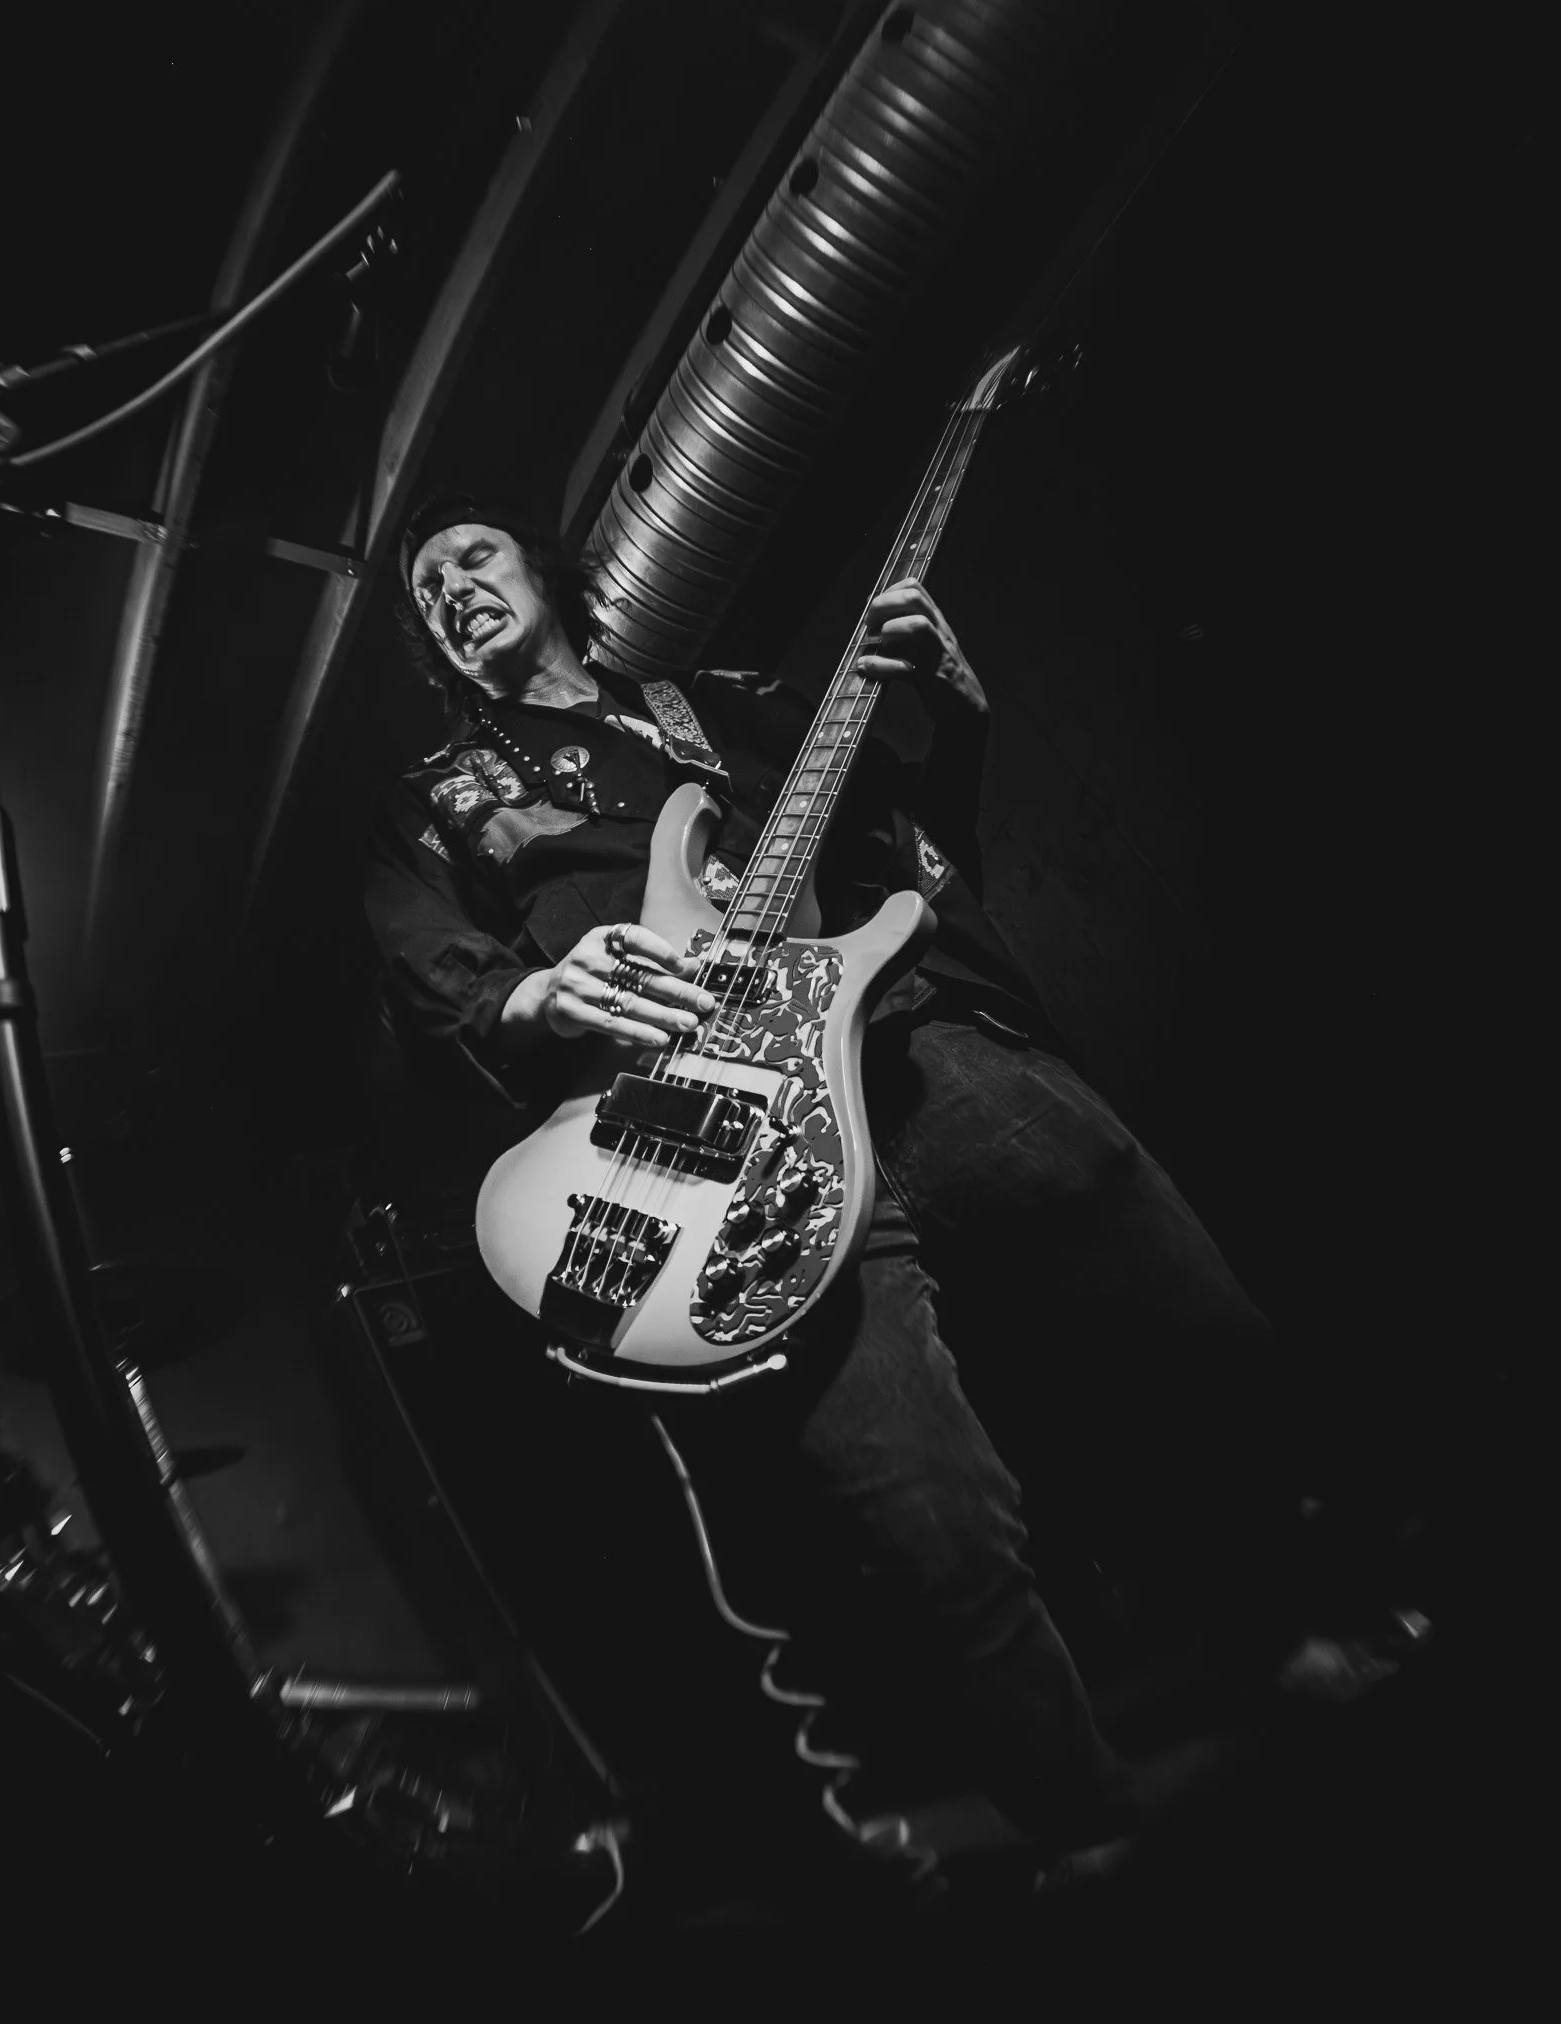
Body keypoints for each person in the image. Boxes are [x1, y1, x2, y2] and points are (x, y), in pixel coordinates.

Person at [362, 489, 1418, 1891]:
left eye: (473, 554)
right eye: (425, 586)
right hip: (725, 1139)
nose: (451, 587)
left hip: (915, 1038)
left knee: (1191, 1331)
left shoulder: (725, 707)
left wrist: (960, 719)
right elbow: (437, 978)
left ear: (548, 574)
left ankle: (1305, 1618)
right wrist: (544, 993)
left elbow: (914, 861)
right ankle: (1080, 1817)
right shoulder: (433, 798)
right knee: (920, 1507)